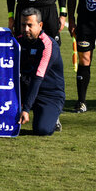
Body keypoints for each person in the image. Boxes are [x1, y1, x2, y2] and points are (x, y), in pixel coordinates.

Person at [16, 8, 65, 136]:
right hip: (26, 89)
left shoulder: (48, 45)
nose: (26, 29)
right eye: (23, 25)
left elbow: (38, 78)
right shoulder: (18, 41)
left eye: (30, 25)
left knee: (42, 130)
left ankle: (53, 117)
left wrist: (25, 109)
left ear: (40, 25)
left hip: (48, 94)